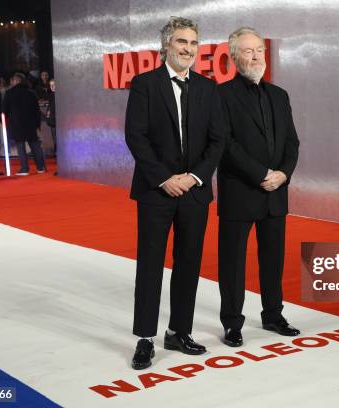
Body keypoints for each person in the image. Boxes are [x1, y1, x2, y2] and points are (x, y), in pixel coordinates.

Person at [125, 17, 224, 369]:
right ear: (166, 45)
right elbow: (136, 137)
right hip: (156, 191)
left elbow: (218, 140)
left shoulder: (208, 88)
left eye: (194, 43)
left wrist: (195, 177)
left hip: (194, 193)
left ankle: (179, 331)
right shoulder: (144, 84)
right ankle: (145, 338)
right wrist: (165, 178)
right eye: (181, 42)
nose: (188, 48)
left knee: (188, 264)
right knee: (150, 265)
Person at [217, 27, 301, 348]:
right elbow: (226, 144)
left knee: (273, 258)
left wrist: (282, 174)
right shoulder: (221, 95)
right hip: (240, 190)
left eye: (259, 51)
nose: (255, 57)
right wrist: (261, 173)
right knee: (233, 262)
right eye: (248, 51)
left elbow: (292, 143)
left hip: (276, 192)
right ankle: (232, 323)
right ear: (235, 56)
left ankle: (273, 315)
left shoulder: (280, 95)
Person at [2, 73, 46, 175]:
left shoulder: (9, 93)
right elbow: (36, 110)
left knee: (20, 146)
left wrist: (5, 122)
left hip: (17, 124)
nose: (11, 82)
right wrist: (37, 124)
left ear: (16, 81)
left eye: (12, 80)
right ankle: (40, 167)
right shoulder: (31, 93)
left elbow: (4, 110)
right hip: (31, 123)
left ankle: (25, 169)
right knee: (35, 145)